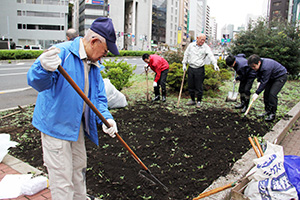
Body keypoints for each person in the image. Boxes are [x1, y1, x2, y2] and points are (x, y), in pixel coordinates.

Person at [27, 17, 119, 200]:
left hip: (76, 127)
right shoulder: (61, 53)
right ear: (94, 42)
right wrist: (42, 68)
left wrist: (106, 118)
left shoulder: (94, 65)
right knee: (62, 180)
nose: (105, 55)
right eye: (105, 51)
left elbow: (99, 97)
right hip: (55, 127)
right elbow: (37, 82)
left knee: (78, 171)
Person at [182, 33, 220, 108]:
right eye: (201, 39)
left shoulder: (205, 47)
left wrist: (215, 64)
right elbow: (186, 54)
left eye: (204, 40)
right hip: (191, 68)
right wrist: (184, 64)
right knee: (190, 85)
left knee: (199, 86)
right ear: (197, 38)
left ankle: (199, 101)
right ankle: (192, 100)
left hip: (199, 69)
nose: (203, 41)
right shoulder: (191, 46)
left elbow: (210, 56)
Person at [247, 54, 287, 122]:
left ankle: (272, 114)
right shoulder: (259, 64)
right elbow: (258, 74)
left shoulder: (266, 67)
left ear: (259, 62)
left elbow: (265, 81)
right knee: (266, 94)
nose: (253, 68)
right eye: (251, 67)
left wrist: (257, 92)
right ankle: (267, 111)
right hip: (272, 77)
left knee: (272, 94)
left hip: (280, 76)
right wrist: (259, 81)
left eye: (254, 66)